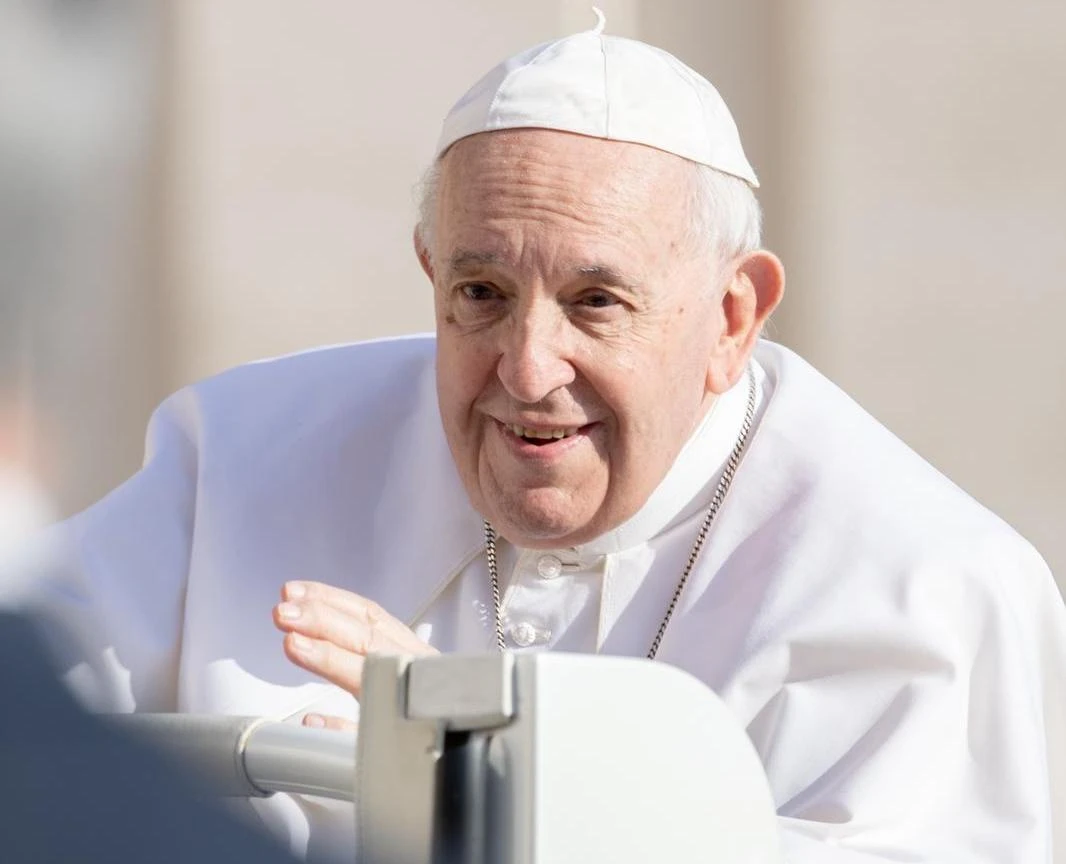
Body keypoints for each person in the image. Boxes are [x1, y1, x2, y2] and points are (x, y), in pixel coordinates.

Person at [11, 13, 1066, 863]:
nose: (526, 368)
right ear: (430, 274)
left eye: (597, 301)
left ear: (734, 316)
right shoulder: (240, 456)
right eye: (481, 291)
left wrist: (513, 781)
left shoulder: (925, 589)